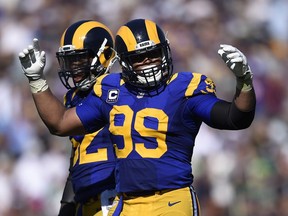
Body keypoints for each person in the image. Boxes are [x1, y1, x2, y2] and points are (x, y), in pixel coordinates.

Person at [19, 18, 256, 216]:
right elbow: (60, 124)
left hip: (171, 198)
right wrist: (37, 80)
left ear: (165, 51)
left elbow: (235, 118)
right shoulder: (110, 91)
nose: (148, 62)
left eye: (153, 54)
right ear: (124, 62)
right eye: (138, 58)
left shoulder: (184, 88)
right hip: (128, 204)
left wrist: (244, 82)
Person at [54, 20, 117, 216]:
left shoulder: (120, 91)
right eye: (70, 61)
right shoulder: (72, 98)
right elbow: (78, 159)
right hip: (86, 199)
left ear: (105, 56)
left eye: (80, 60)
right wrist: (67, 205)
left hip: (117, 196)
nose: (74, 68)